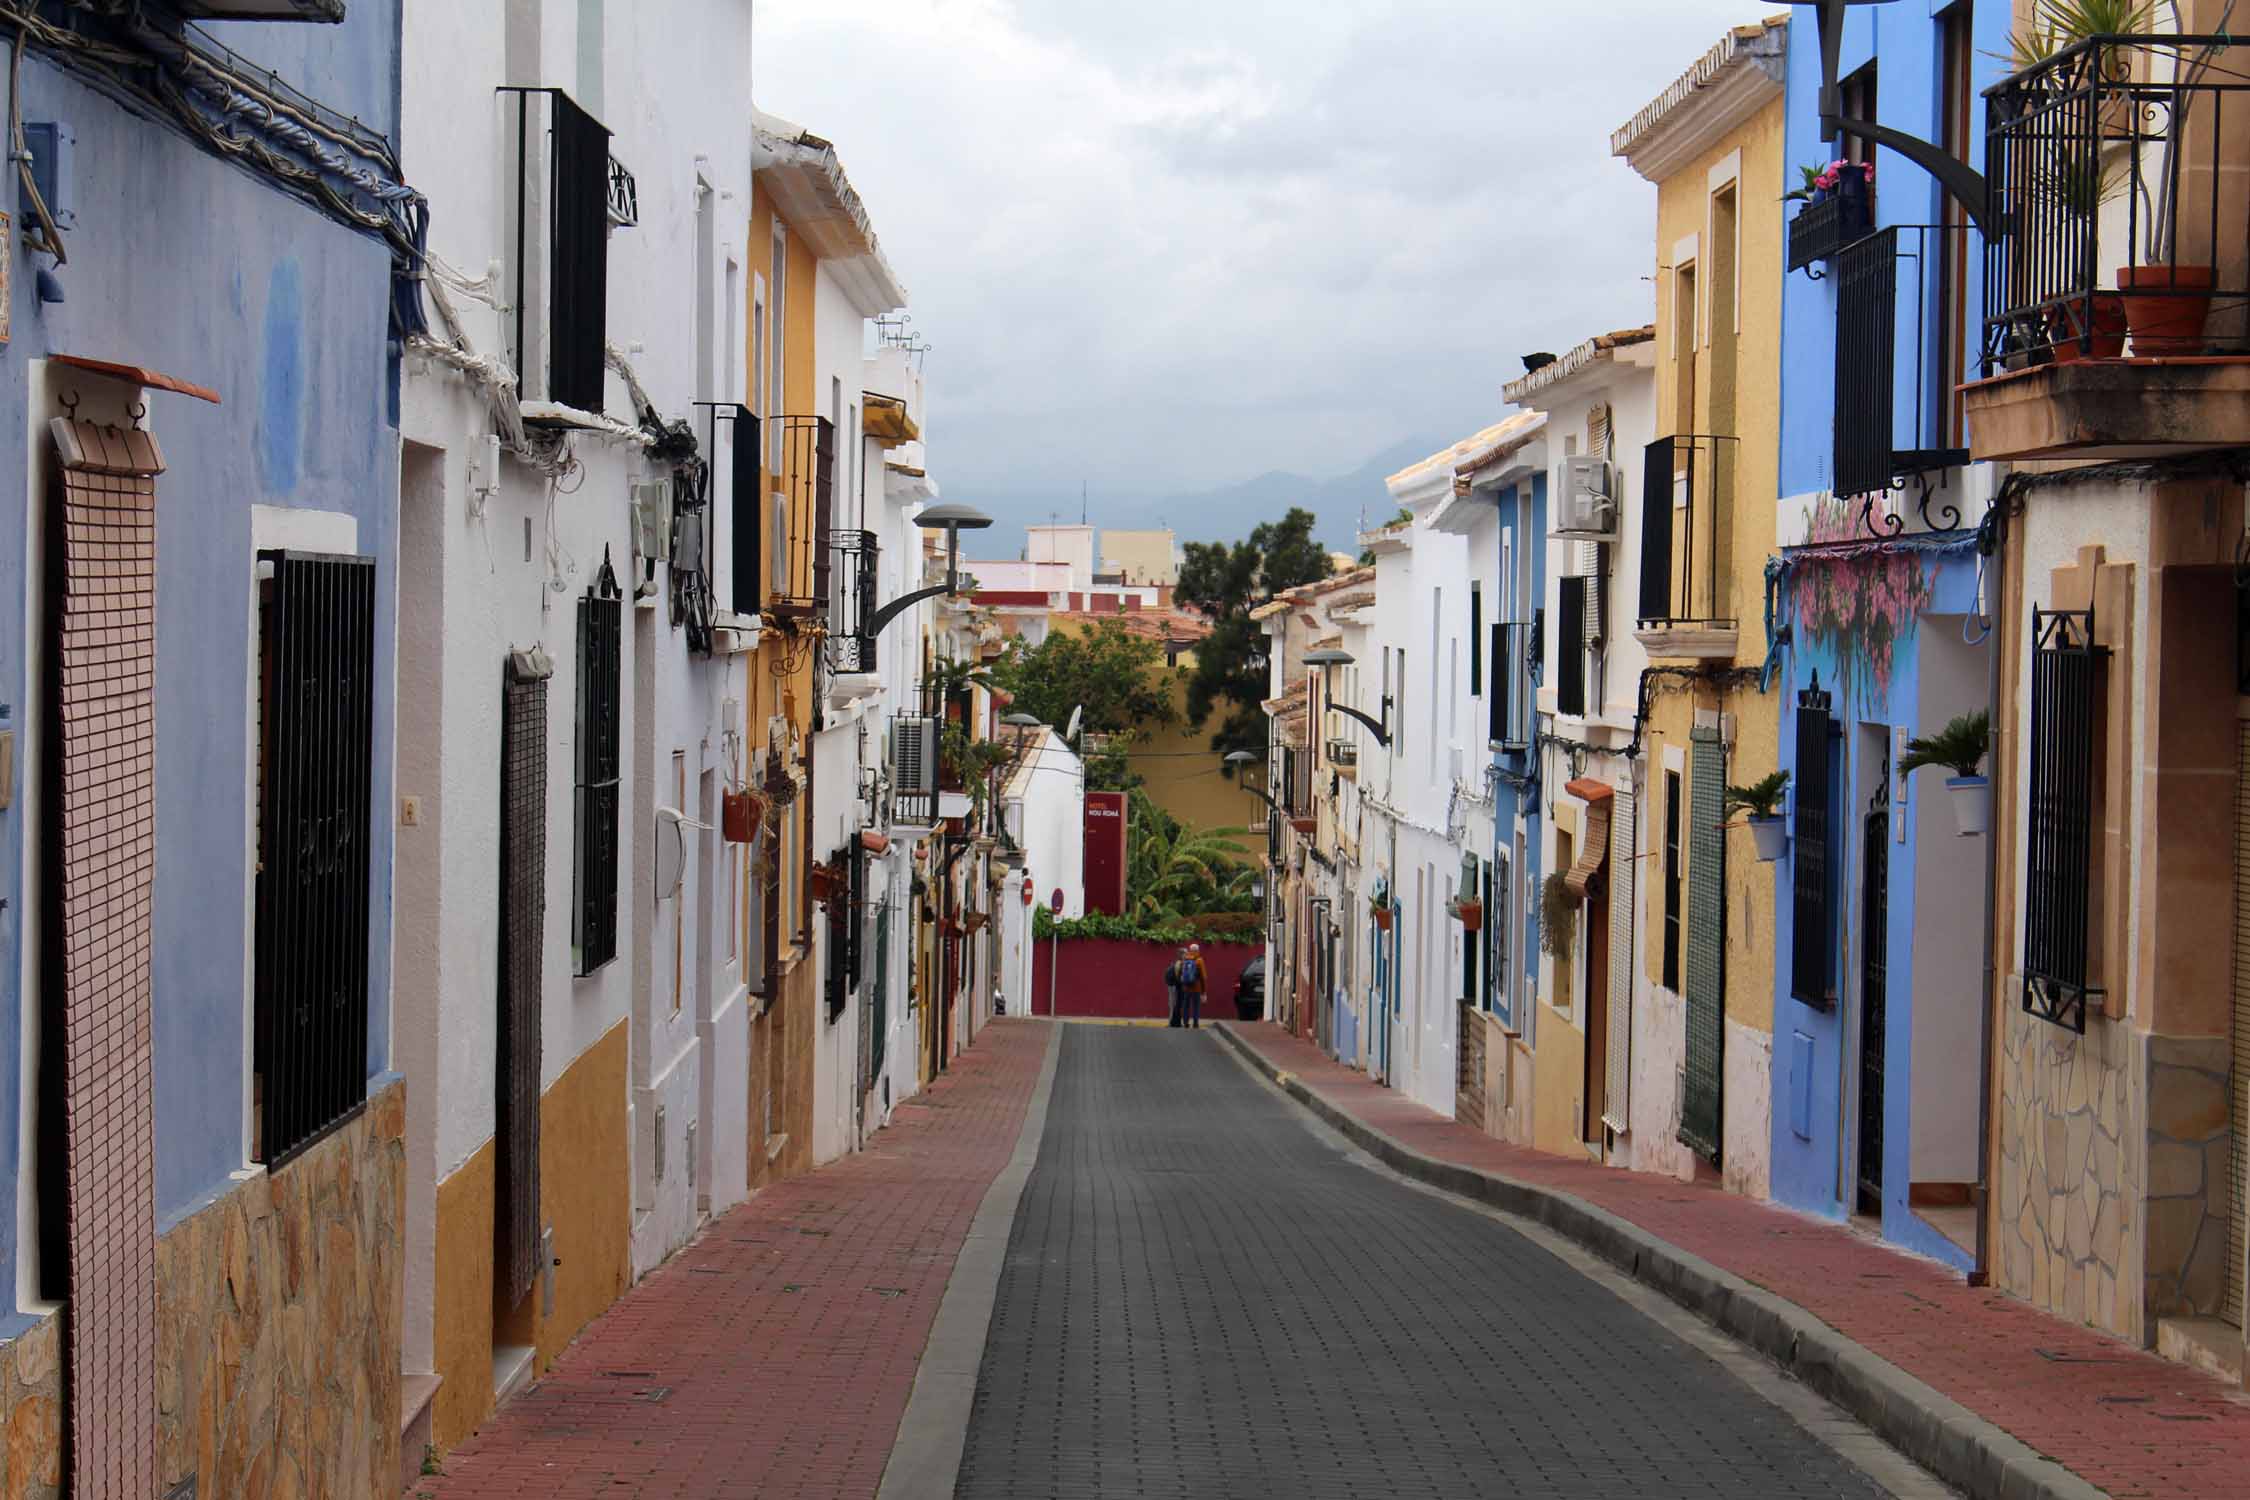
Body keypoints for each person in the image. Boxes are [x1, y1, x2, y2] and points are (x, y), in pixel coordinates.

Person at [1180, 943, 1208, 1030]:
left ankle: (1186, 1023)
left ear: (1190, 950)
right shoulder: (1199, 960)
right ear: (1198, 950)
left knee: (1186, 1006)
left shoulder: (1185, 959)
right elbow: (1203, 977)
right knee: (1196, 1006)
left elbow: (1181, 974)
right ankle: (1195, 1024)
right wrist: (1203, 992)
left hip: (1186, 988)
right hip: (1197, 988)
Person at [1165, 947, 1187, 1027]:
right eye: (1185, 953)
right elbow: (1179, 977)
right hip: (1177, 987)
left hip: (1175, 986)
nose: (1187, 955)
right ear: (1182, 955)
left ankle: (1174, 1022)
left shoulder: (1179, 963)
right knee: (1175, 1004)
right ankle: (1173, 1022)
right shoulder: (1180, 963)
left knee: (1176, 1004)